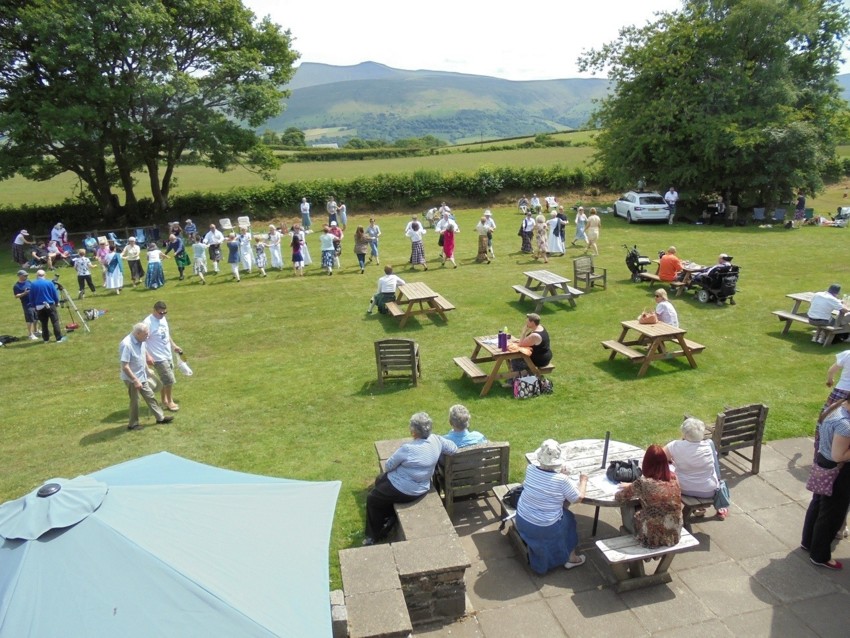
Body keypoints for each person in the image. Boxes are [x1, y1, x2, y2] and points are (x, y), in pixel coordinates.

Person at [363, 412, 457, 545]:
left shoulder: (408, 449)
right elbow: (453, 449)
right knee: (380, 480)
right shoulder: (437, 440)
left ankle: (374, 535)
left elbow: (388, 466)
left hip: (402, 490)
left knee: (372, 498)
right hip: (422, 488)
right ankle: (389, 516)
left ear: (414, 432)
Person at [515, 439, 588, 574]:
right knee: (569, 520)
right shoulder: (561, 480)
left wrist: (561, 477)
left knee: (561, 511)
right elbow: (578, 498)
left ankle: (547, 551)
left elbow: (544, 485)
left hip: (522, 519)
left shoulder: (530, 469)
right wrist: (583, 480)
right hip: (543, 527)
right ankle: (571, 558)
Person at [801, 399, 850, 570]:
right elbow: (839, 456)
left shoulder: (837, 405)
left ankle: (808, 542)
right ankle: (819, 556)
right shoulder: (845, 426)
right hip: (838, 471)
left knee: (818, 504)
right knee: (832, 514)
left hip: (823, 462)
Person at [615, 445, 683, 548]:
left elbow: (620, 497)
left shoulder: (643, 483)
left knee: (632, 510)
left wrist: (630, 486)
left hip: (652, 539)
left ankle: (631, 536)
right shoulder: (674, 478)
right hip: (674, 535)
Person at [664, 418, 726, 519]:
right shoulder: (709, 445)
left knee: (668, 466)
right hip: (708, 490)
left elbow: (660, 457)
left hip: (682, 487)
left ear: (684, 433)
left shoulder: (675, 445)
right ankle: (717, 508)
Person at [119, 322, 173, 431]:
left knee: (150, 396)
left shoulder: (141, 340)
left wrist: (147, 365)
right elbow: (125, 366)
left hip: (142, 375)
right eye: (145, 334)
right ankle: (133, 424)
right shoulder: (127, 345)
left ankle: (160, 418)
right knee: (135, 401)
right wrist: (135, 380)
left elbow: (142, 353)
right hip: (131, 378)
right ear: (137, 333)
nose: (147, 337)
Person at [143, 300, 183, 413]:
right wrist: (148, 356)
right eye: (160, 313)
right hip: (157, 357)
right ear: (154, 310)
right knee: (169, 380)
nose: (163, 315)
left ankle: (164, 400)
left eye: (165, 312)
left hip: (167, 354)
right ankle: (170, 402)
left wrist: (173, 346)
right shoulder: (148, 323)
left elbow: (166, 334)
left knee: (164, 379)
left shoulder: (162, 319)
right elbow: (142, 341)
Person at [29, 269, 65, 343]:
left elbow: (31, 296)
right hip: (50, 304)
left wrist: (33, 305)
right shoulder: (49, 282)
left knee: (44, 323)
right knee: (55, 321)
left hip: (39, 306)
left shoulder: (33, 284)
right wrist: (57, 302)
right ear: (44, 275)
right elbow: (54, 294)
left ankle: (46, 339)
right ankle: (58, 338)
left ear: (37, 275)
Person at [12, 269, 39, 340]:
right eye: (25, 275)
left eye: (27, 275)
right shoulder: (16, 286)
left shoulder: (28, 282)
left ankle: (36, 331)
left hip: (34, 303)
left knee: (36, 318)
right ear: (20, 276)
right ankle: (30, 334)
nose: (26, 276)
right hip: (26, 304)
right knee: (30, 319)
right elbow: (16, 296)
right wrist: (24, 293)